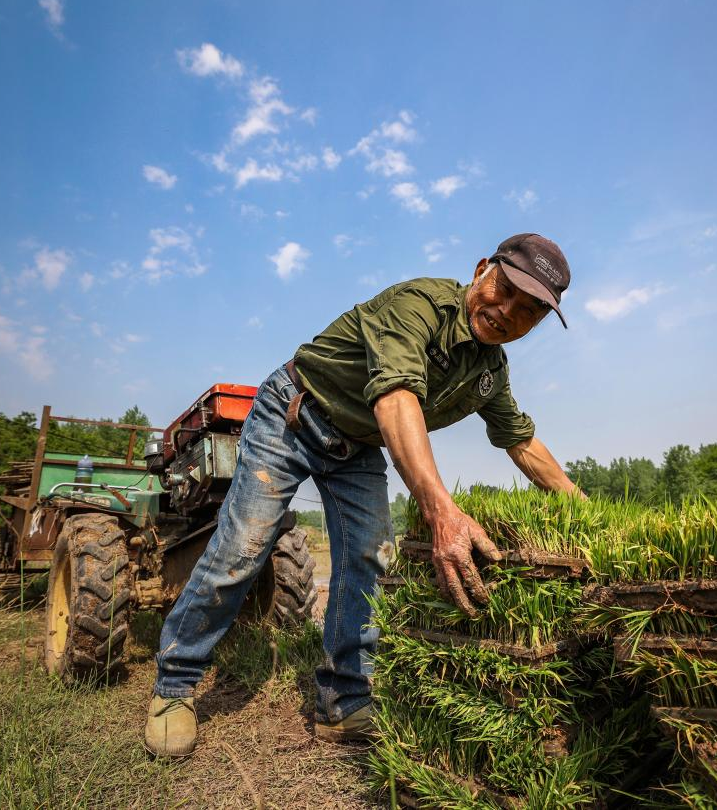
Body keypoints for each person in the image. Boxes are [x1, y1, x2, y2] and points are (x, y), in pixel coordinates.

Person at [146, 233, 581, 758]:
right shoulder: (417, 306)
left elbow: (521, 440)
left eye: (527, 311)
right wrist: (442, 510)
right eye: (504, 289)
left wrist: (583, 512)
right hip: (295, 414)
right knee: (242, 548)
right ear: (482, 268)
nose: (506, 311)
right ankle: (174, 685)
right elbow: (397, 401)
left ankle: (342, 701)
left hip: (354, 446)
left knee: (369, 561)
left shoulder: (489, 371)